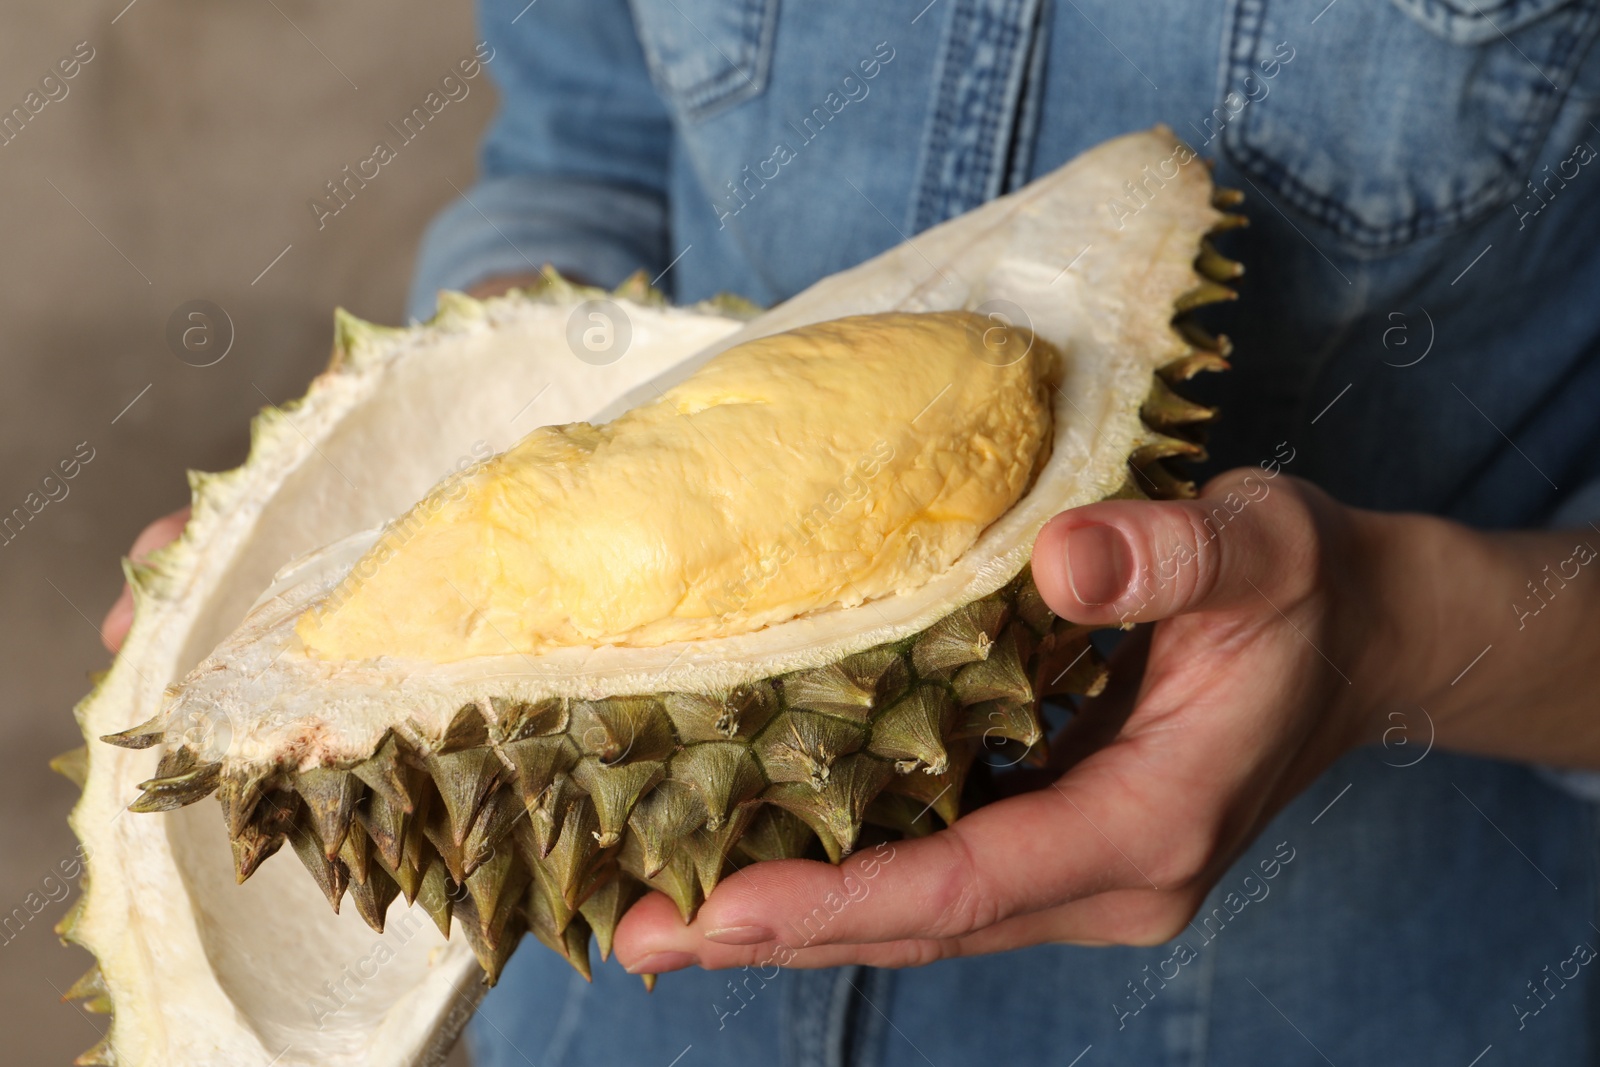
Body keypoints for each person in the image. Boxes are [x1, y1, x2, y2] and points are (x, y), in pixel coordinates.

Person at [106, 1, 1600, 1063]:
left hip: (1349, 988)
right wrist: (459, 404)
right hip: (604, 993)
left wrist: (1391, 630)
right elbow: (589, 134)